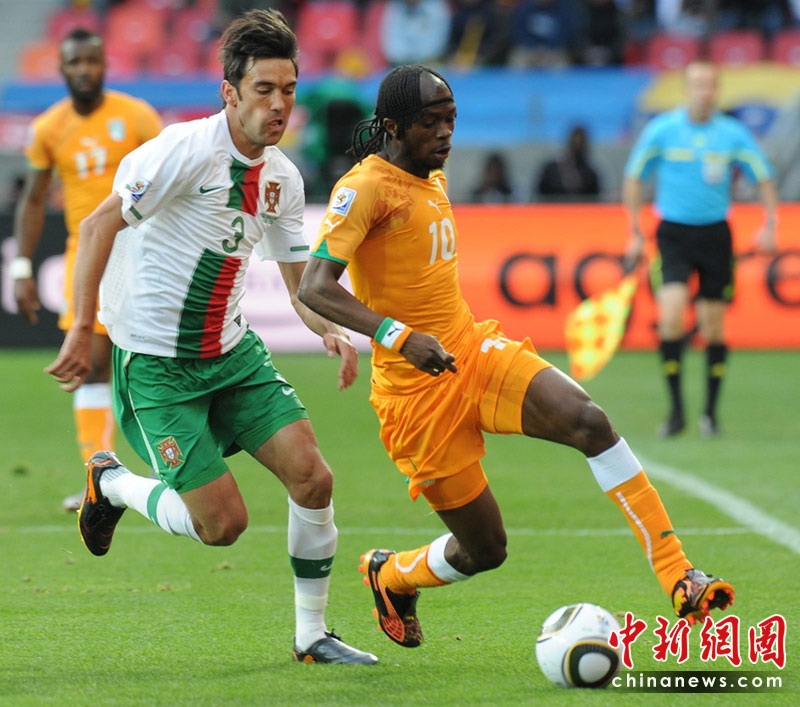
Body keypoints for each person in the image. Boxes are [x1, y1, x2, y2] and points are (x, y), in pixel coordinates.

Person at [297, 64, 735, 650]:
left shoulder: (431, 172)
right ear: (394, 126)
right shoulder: (365, 188)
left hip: (471, 353)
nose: (445, 133)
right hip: (414, 396)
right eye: (431, 122)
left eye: (451, 120)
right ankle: (393, 575)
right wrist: (399, 337)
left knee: (589, 421)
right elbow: (316, 287)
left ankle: (678, 574)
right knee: (486, 549)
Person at [45, 9, 377, 666]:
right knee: (222, 526)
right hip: (158, 367)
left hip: (232, 356)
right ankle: (112, 483)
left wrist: (329, 329)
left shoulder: (282, 179)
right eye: (263, 89)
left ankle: (312, 635)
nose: (279, 104)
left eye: (288, 89)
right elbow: (98, 226)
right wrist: (84, 328)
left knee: (313, 478)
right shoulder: (182, 151)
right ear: (229, 92)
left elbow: (299, 286)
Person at [11, 28, 163, 511]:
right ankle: (98, 477)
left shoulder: (136, 116)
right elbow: (34, 200)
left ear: (104, 65)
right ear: (62, 68)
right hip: (87, 258)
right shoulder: (48, 127)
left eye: (92, 61)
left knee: (154, 362)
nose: (84, 70)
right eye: (75, 62)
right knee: (92, 365)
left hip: (142, 252)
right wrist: (21, 265)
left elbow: (172, 177)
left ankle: (171, 468)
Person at [623, 61, 778, 438]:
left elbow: (763, 177)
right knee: (671, 316)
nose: (703, 92)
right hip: (673, 234)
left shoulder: (732, 133)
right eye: (697, 85)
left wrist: (771, 224)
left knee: (713, 326)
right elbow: (634, 177)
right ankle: (676, 412)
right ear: (686, 89)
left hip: (715, 235)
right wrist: (634, 231)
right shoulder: (662, 130)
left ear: (716, 91)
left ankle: (709, 414)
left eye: (710, 86)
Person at [536, 125, 600, 201]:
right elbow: (539, 194)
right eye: (575, 143)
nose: (577, 145)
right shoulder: (551, 169)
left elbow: (594, 199)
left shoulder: (590, 174)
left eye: (580, 143)